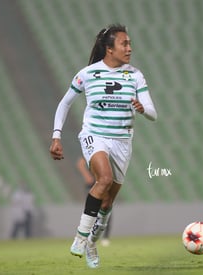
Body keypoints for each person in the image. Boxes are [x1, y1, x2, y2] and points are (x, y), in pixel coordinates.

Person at [49, 24, 157, 269]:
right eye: (124, 44)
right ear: (109, 49)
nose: (129, 48)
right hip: (94, 135)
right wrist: (56, 136)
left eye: (129, 43)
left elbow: (153, 113)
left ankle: (91, 243)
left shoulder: (135, 75)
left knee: (107, 204)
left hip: (122, 141)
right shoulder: (87, 74)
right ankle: (80, 237)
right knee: (104, 179)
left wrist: (142, 109)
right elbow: (65, 103)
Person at [76, 156, 112, 247]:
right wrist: (87, 176)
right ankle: (87, 236)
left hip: (103, 181)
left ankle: (105, 237)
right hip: (94, 182)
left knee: (106, 207)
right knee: (93, 209)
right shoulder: (95, 148)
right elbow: (80, 163)